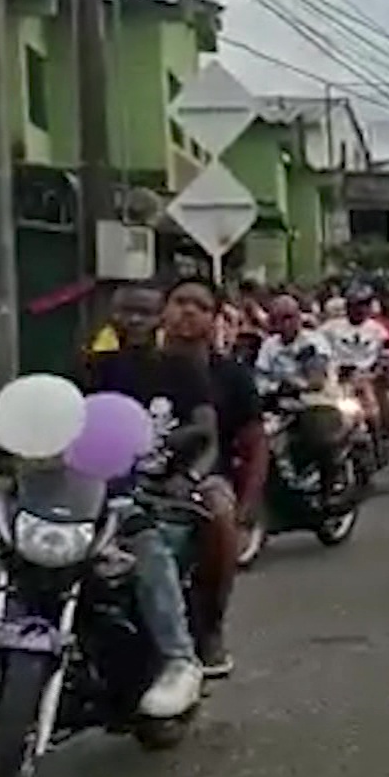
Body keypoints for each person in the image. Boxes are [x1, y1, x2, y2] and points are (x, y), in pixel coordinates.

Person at [81, 283, 213, 718]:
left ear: (159, 318)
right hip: (89, 490)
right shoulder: (89, 366)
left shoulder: (179, 370)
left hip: (150, 491)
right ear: (112, 314)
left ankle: (180, 658)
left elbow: (205, 427)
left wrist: (181, 463)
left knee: (147, 545)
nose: (135, 320)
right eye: (126, 311)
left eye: (145, 312)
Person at [158, 277, 266, 678]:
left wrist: (248, 508)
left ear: (215, 318)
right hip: (132, 478)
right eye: (179, 301)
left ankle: (210, 627)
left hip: (202, 482)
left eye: (200, 306)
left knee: (219, 514)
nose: (188, 311)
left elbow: (255, 443)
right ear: (163, 310)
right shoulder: (135, 366)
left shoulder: (232, 376)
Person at [324, 285, 389, 484]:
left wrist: (381, 367)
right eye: (354, 305)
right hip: (341, 383)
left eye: (363, 305)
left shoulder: (378, 330)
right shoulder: (331, 329)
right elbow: (315, 347)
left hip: (372, 381)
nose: (359, 310)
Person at [254, 295, 333, 390]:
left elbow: (317, 379)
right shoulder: (269, 345)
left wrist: (298, 384)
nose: (287, 323)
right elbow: (260, 377)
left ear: (299, 317)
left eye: (290, 317)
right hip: (276, 396)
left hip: (309, 397)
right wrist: (277, 387)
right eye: (281, 318)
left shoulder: (315, 340)